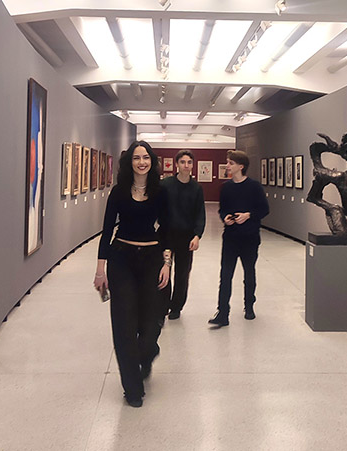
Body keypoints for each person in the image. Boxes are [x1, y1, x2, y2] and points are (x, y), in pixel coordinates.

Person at [93, 140, 171, 408]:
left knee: (150, 325)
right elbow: (107, 231)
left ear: (152, 161)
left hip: (152, 260)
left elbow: (167, 230)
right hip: (122, 259)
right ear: (130, 162)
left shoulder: (160, 192)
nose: (142, 162)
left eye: (146, 157)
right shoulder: (119, 192)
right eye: (137, 158)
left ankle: (147, 354)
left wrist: (167, 264)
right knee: (124, 325)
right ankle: (132, 388)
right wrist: (100, 269)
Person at [209, 150, 269, 327]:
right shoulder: (226, 188)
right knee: (225, 275)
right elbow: (222, 209)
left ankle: (249, 306)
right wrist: (225, 218)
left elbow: (264, 209)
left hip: (250, 237)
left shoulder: (254, 187)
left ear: (241, 166)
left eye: (231, 163)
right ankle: (222, 312)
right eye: (227, 162)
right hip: (230, 237)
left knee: (249, 273)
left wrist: (248, 215)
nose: (227, 166)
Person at [160, 150, 206, 320]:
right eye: (183, 162)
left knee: (182, 274)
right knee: (163, 271)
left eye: (189, 162)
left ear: (192, 165)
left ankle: (176, 307)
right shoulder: (165, 185)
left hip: (186, 237)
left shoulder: (196, 188)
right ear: (176, 164)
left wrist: (197, 235)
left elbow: (200, 213)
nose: (186, 165)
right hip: (166, 235)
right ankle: (162, 307)